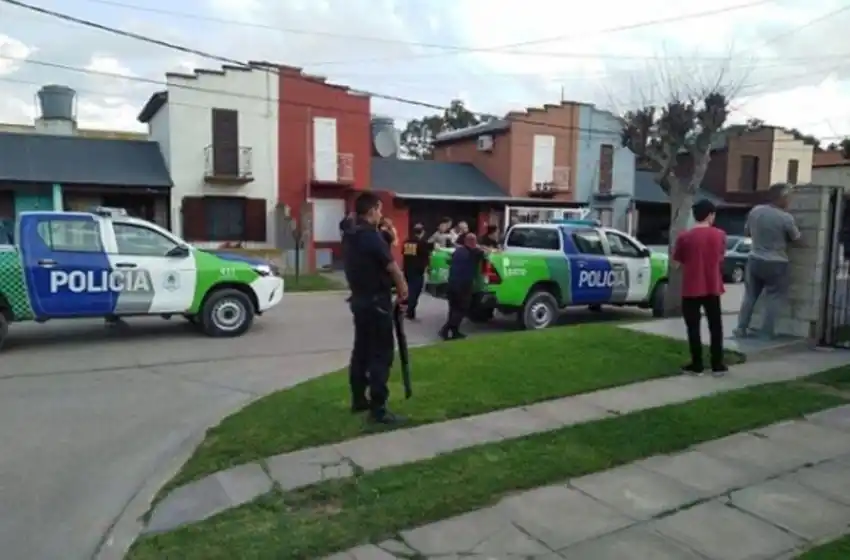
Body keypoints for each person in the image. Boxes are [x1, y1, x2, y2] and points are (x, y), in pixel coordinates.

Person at [341, 192, 409, 425]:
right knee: (381, 354)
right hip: (376, 302)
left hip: (359, 301)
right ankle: (378, 408)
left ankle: (359, 398)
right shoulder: (372, 237)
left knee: (361, 351)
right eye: (379, 210)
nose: (381, 214)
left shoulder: (350, 235)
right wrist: (403, 289)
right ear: (371, 211)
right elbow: (392, 267)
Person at [735, 183, 801, 339]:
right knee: (773, 297)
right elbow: (796, 238)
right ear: (782, 197)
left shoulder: (755, 211)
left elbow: (747, 232)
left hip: (754, 259)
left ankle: (741, 328)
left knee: (750, 296)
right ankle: (766, 332)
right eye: (789, 198)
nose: (789, 201)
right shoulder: (785, 218)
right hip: (776, 262)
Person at [672, 199, 728, 376]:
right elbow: (720, 257)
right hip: (712, 286)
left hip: (691, 287)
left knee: (693, 327)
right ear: (710, 215)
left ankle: (697, 364)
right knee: (715, 325)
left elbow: (676, 263)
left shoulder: (684, 237)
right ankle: (717, 364)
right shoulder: (720, 235)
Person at [439, 233, 489, 340]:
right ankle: (445, 329)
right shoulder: (474, 253)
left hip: (451, 283)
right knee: (462, 309)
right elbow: (486, 254)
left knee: (453, 309)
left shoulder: (458, 251)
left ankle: (455, 331)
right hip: (463, 285)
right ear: (473, 242)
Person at [402, 224, 433, 320]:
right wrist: (428, 267)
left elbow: (404, 254)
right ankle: (410, 311)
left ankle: (407, 309)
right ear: (422, 232)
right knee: (415, 291)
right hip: (417, 271)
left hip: (407, 269)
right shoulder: (421, 243)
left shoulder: (406, 242)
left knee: (409, 289)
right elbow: (426, 256)